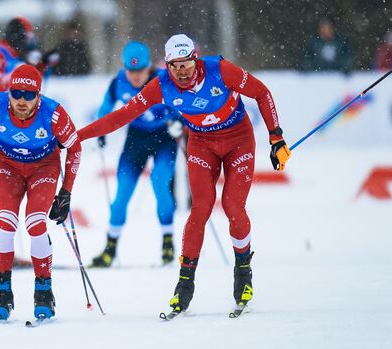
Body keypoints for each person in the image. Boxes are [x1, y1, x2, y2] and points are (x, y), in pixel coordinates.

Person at [77, 34, 291, 314]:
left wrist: (276, 138)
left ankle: (243, 272)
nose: (182, 71)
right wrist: (76, 136)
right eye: (175, 65)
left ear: (195, 59)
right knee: (200, 209)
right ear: (166, 65)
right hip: (202, 144)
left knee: (233, 207)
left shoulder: (220, 69)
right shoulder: (160, 85)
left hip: (238, 140)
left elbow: (261, 92)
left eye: (186, 63)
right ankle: (185, 284)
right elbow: (121, 116)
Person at [0, 64, 82, 320]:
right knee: (5, 222)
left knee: (35, 223)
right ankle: (2, 293)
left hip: (43, 167)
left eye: (29, 95)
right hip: (7, 166)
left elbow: (75, 147)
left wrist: (66, 192)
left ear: (39, 95)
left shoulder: (53, 114)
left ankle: (43, 291)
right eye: (16, 93)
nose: (21, 100)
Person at [90, 41, 179, 268]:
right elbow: (105, 106)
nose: (135, 77)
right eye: (131, 71)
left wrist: (179, 122)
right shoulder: (118, 82)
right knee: (122, 196)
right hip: (136, 140)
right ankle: (109, 249)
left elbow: (182, 105)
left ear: (149, 67)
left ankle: (168, 242)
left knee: (160, 183)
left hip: (163, 138)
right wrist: (100, 130)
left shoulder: (164, 80)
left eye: (140, 71)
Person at [0, 16, 59, 96]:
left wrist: (42, 65)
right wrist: (23, 71)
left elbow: (29, 82)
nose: (28, 41)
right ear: (17, 35)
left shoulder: (15, 54)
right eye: (27, 37)